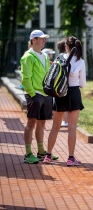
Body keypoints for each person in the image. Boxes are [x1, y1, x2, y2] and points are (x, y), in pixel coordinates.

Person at [43, 36, 86, 166]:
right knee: (72, 128)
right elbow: (83, 84)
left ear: (66, 47)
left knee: (55, 127)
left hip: (59, 93)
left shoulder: (59, 57)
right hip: (73, 93)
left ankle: (48, 155)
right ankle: (71, 158)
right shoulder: (80, 61)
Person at [20, 29, 58, 164]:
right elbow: (26, 78)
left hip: (46, 94)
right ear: (33, 40)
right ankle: (28, 153)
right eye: (41, 38)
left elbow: (48, 75)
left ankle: (41, 152)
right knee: (31, 122)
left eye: (44, 38)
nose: (44, 40)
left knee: (42, 123)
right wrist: (32, 94)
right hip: (35, 94)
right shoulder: (28, 56)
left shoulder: (45, 56)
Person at [57, 39, 69, 128]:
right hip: (65, 83)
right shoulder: (65, 57)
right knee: (65, 104)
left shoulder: (58, 57)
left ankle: (62, 120)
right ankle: (65, 121)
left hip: (58, 83)